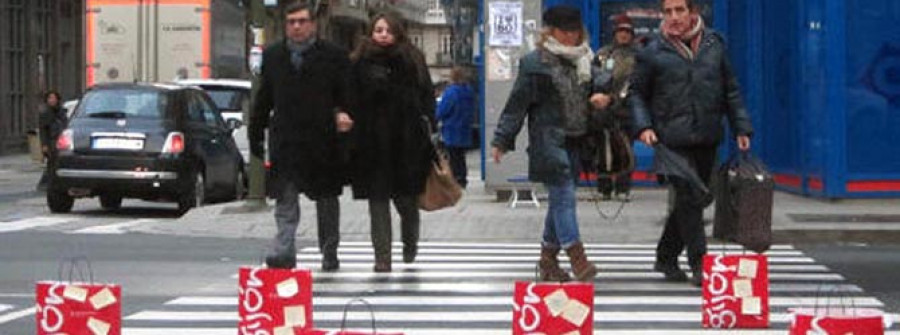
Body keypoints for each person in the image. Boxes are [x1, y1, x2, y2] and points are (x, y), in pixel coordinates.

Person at [630, 0, 754, 286]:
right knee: (688, 197)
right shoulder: (653, 50)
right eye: (668, 11)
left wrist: (741, 127)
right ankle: (700, 263)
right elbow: (637, 93)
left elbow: (730, 90)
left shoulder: (714, 45)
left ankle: (666, 256)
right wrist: (644, 127)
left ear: (693, 13)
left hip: (707, 134)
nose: (673, 17)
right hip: (671, 137)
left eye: (679, 10)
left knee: (699, 197)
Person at [491, 5, 598, 282]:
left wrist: (603, 99)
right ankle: (577, 256)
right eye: (565, 32)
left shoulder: (586, 59)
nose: (571, 37)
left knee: (559, 201)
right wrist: (502, 139)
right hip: (548, 140)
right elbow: (517, 105)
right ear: (550, 32)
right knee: (564, 196)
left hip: (578, 138)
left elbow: (597, 93)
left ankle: (547, 259)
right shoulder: (535, 63)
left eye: (575, 32)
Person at [248, 2, 354, 271]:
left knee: (327, 200)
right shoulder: (274, 55)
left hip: (322, 141)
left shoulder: (333, 56)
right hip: (287, 140)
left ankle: (329, 249)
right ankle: (284, 250)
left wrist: (343, 115)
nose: (296, 26)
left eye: (301, 21)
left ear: (313, 24)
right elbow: (264, 98)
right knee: (285, 199)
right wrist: (256, 134)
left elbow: (348, 96)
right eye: (291, 22)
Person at [349, 12, 435, 272]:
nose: (383, 34)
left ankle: (410, 243)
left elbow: (427, 96)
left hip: (406, 142)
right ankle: (382, 258)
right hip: (372, 142)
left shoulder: (411, 59)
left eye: (387, 30)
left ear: (397, 32)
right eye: (378, 30)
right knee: (377, 202)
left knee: (407, 202)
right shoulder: (359, 61)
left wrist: (429, 125)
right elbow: (351, 96)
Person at [591, 14, 638, 201]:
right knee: (603, 150)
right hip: (603, 111)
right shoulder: (603, 55)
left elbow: (638, 84)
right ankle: (604, 188)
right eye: (621, 31)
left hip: (627, 110)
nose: (624, 35)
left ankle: (623, 188)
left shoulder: (639, 56)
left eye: (627, 31)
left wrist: (617, 99)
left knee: (624, 149)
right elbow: (592, 80)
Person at [436, 66, 476, 188]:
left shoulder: (451, 92)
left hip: (452, 127)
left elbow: (443, 110)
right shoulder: (469, 91)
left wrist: (436, 116)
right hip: (465, 127)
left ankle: (455, 179)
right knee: (461, 156)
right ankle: (462, 178)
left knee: (453, 155)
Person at [37, 91, 67, 192]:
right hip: (51, 140)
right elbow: (43, 130)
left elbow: (65, 124)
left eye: (54, 98)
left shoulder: (61, 111)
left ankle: (52, 182)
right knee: (52, 162)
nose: (52, 100)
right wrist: (44, 144)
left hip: (61, 139)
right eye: (50, 98)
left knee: (57, 162)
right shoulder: (45, 113)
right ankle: (46, 183)